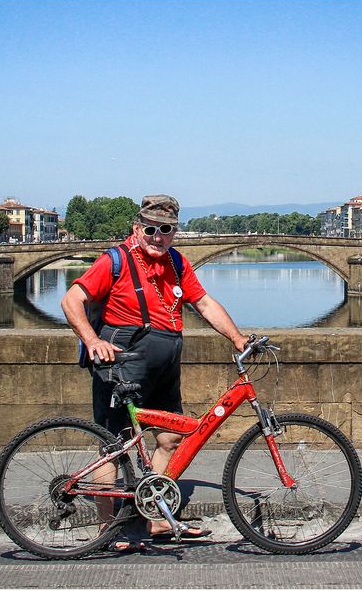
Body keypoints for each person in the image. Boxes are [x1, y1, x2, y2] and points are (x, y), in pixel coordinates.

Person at [61, 194, 246, 551]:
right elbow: (72, 300)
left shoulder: (177, 262)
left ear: (174, 231)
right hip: (123, 362)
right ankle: (106, 530)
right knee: (115, 447)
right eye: (151, 229)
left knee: (169, 439)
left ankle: (156, 518)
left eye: (166, 230)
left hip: (164, 365)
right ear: (137, 228)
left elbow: (204, 303)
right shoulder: (115, 260)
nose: (158, 236)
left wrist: (236, 337)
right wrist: (91, 339)